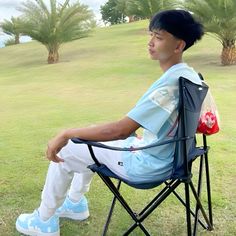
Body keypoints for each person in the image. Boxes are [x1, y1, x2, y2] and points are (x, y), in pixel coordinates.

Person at [16, 9, 204, 236]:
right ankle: (75, 204)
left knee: (71, 144)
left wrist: (65, 133)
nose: (150, 42)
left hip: (147, 165)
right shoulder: (191, 77)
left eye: (159, 37)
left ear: (178, 46)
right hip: (171, 159)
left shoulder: (170, 84)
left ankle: (44, 220)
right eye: (151, 35)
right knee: (88, 136)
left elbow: (119, 130)